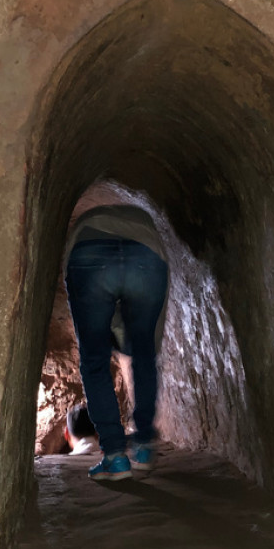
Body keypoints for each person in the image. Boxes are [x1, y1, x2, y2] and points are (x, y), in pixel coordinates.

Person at [63, 204, 169, 481]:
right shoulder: (142, 220)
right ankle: (144, 446)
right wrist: (138, 341)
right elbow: (149, 336)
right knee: (145, 354)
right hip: (146, 251)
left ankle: (115, 457)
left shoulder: (86, 225)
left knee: (95, 361)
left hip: (90, 249)